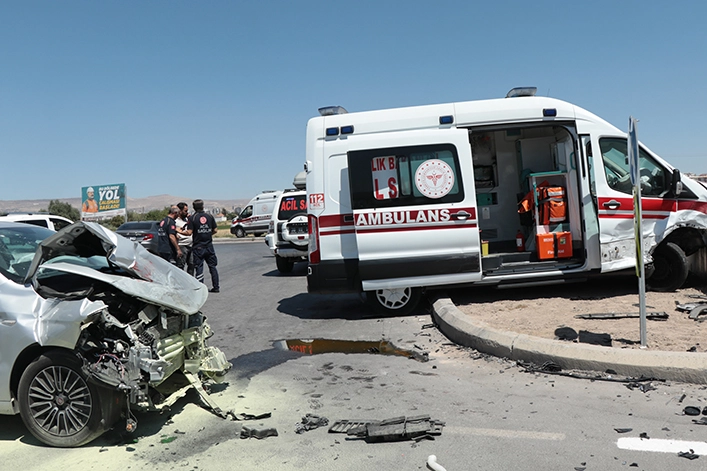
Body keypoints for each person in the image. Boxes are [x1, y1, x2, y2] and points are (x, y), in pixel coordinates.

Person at [188, 199, 220, 293]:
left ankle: (201, 289)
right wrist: (208, 235)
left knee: (199, 267)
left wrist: (179, 231)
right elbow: (215, 230)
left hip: (198, 247)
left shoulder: (193, 218)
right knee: (212, 267)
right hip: (209, 246)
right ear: (202, 206)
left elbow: (189, 232)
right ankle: (216, 286)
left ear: (194, 208)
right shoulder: (209, 216)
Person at [175, 202, 194, 275]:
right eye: (185, 211)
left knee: (192, 264)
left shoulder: (188, 220)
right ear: (180, 211)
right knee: (181, 265)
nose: (187, 212)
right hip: (181, 245)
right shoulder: (175, 221)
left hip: (190, 245)